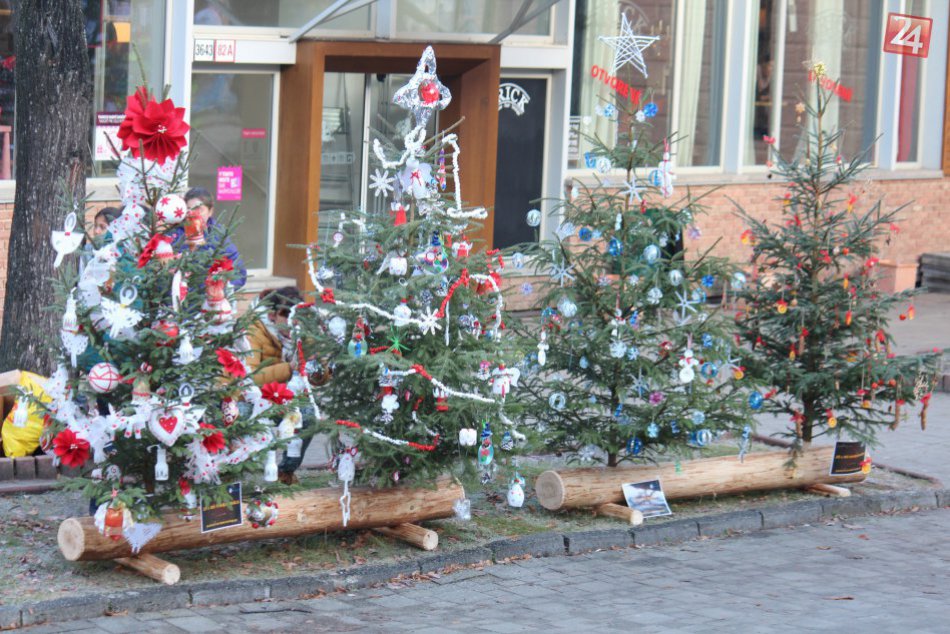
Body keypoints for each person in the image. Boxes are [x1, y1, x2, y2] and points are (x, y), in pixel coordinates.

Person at [247, 286, 328, 484]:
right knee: (237, 414)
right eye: (286, 313)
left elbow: (319, 380)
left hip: (290, 400)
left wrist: (321, 366)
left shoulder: (302, 333)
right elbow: (251, 376)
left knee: (309, 417)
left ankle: (286, 472)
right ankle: (228, 474)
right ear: (272, 314)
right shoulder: (254, 331)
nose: (293, 318)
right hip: (256, 398)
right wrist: (289, 368)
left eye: (297, 312)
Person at [168, 186, 247, 288]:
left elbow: (238, 272)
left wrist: (219, 287)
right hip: (177, 299)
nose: (193, 214)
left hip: (207, 299)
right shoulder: (175, 234)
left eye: (199, 209)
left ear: (210, 211)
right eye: (189, 209)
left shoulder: (219, 236)